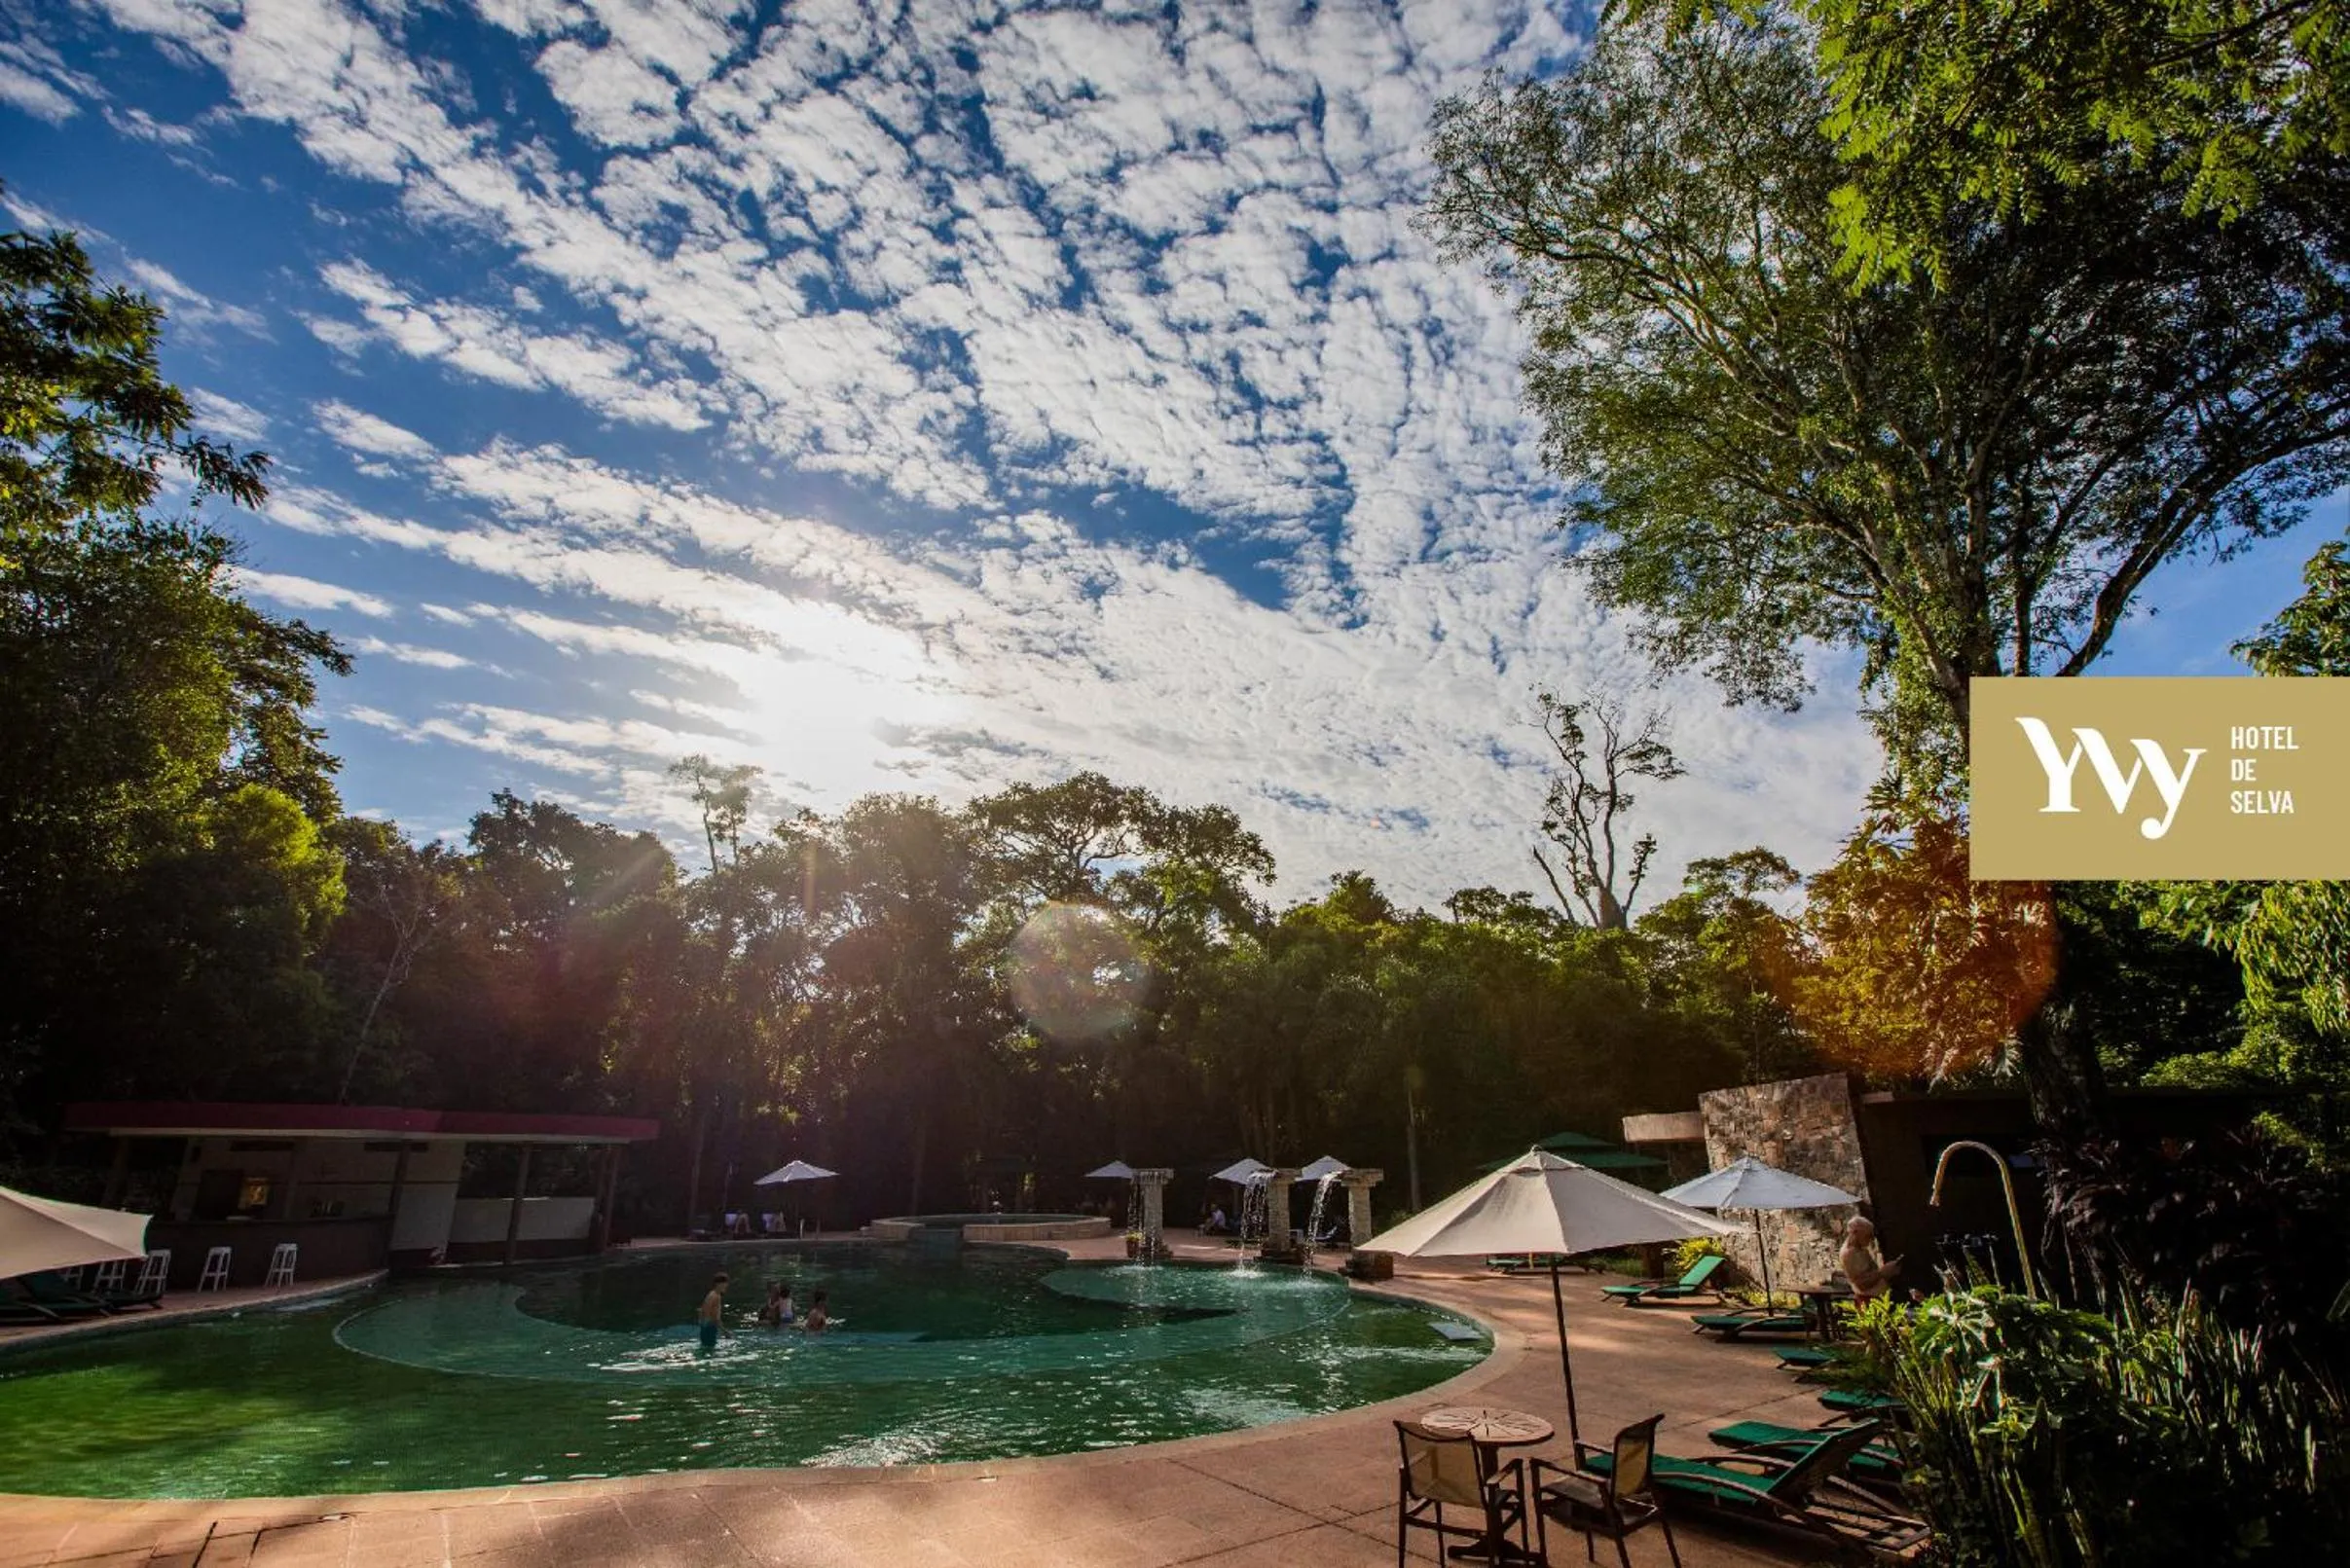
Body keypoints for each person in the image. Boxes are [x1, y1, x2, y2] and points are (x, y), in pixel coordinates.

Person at [1839, 1217, 1902, 1302]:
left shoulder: (1861, 1249)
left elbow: (1871, 1273)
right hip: (1868, 1300)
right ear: (1855, 1233)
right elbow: (1861, 1284)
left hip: (1878, 1298)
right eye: (1868, 1235)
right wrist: (1882, 1272)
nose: (1871, 1239)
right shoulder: (1849, 1254)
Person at [698, 1271, 729, 1352]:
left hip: (705, 1325)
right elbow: (715, 1317)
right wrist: (724, 1331)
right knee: (710, 1350)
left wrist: (703, 1323)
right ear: (719, 1284)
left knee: (705, 1348)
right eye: (725, 1284)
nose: (726, 1286)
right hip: (710, 1326)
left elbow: (701, 1310)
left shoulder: (711, 1294)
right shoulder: (716, 1296)